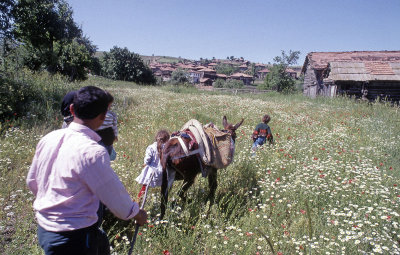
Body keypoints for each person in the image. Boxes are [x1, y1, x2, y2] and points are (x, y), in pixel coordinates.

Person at [27, 86, 147, 255]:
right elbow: (115, 199)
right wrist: (136, 213)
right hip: (74, 237)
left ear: (71, 109)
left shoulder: (49, 139)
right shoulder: (93, 151)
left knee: (102, 241)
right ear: (104, 116)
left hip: (45, 230)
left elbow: (32, 182)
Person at [136, 129, 170, 199]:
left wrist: (145, 163)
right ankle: (163, 201)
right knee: (163, 188)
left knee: (145, 187)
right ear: (167, 139)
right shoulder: (167, 148)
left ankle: (138, 201)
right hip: (162, 171)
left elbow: (147, 159)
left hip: (151, 171)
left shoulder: (151, 147)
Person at [96, 91, 118, 161]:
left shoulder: (95, 114)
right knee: (107, 156)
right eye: (110, 105)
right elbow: (114, 127)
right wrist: (116, 136)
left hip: (97, 137)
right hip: (108, 138)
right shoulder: (112, 114)